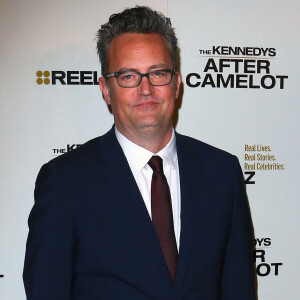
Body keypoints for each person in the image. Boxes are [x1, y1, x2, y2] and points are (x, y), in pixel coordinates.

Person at [23, 6, 255, 300]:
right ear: (106, 89)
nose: (146, 89)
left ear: (177, 83)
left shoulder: (221, 173)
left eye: (157, 73)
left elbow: (239, 290)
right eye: (129, 76)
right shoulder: (65, 182)